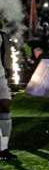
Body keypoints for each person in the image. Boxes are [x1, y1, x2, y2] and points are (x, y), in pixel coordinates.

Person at [0, 28, 15, 162]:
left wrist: (8, 69)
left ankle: (4, 149)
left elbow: (6, 54)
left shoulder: (2, 35)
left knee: (5, 108)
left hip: (0, 76)